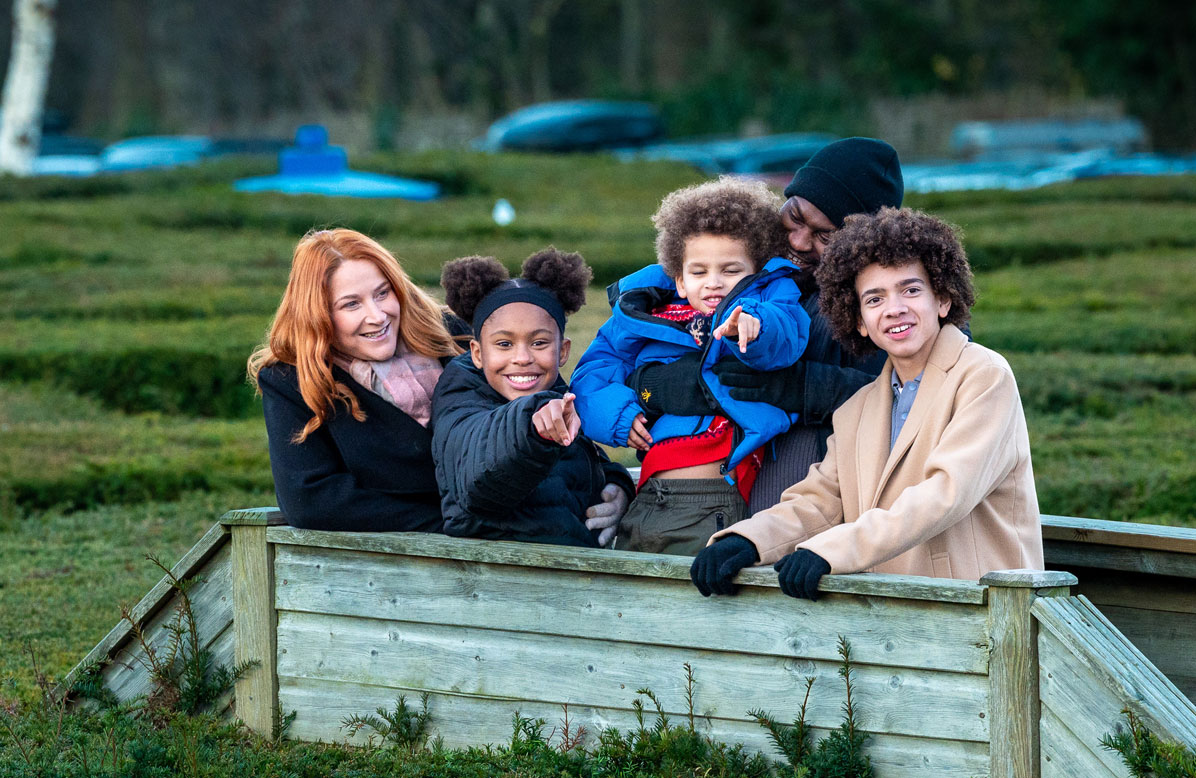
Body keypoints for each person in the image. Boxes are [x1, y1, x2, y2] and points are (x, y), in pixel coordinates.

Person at [689, 208, 1043, 599]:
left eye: (911, 290)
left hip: (981, 607)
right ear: (858, 320)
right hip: (894, 612)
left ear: (942, 299)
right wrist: (746, 541)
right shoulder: (857, 407)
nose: (894, 308)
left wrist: (832, 551)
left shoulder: (983, 376)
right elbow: (820, 502)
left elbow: (946, 493)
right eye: (874, 299)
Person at [625, 138, 905, 513]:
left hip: (809, 506)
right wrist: (651, 385)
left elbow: (915, 397)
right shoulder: (732, 264)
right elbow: (627, 349)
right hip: (683, 495)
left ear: (864, 244)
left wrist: (807, 388)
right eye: (795, 217)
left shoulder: (887, 298)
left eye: (825, 235)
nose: (798, 241)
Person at [570, 177, 811, 555]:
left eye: (731, 270)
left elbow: (785, 335)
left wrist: (753, 326)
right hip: (648, 493)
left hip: (713, 494)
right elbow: (595, 369)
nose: (714, 283)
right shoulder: (646, 310)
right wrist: (619, 415)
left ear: (756, 273)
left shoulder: (762, 306)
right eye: (699, 272)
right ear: (679, 280)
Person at [248, 228, 459, 531]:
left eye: (382, 293)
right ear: (318, 315)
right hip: (400, 555)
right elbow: (309, 500)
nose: (377, 316)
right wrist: (454, 521)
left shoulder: (453, 334)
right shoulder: (291, 381)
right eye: (351, 304)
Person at [430, 248, 634, 546]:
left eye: (539, 343)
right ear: (477, 353)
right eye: (504, 344)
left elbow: (584, 458)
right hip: (499, 572)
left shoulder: (556, 394)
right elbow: (478, 474)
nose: (523, 358)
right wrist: (533, 426)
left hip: (572, 570)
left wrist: (617, 485)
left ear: (562, 351)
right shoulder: (460, 394)